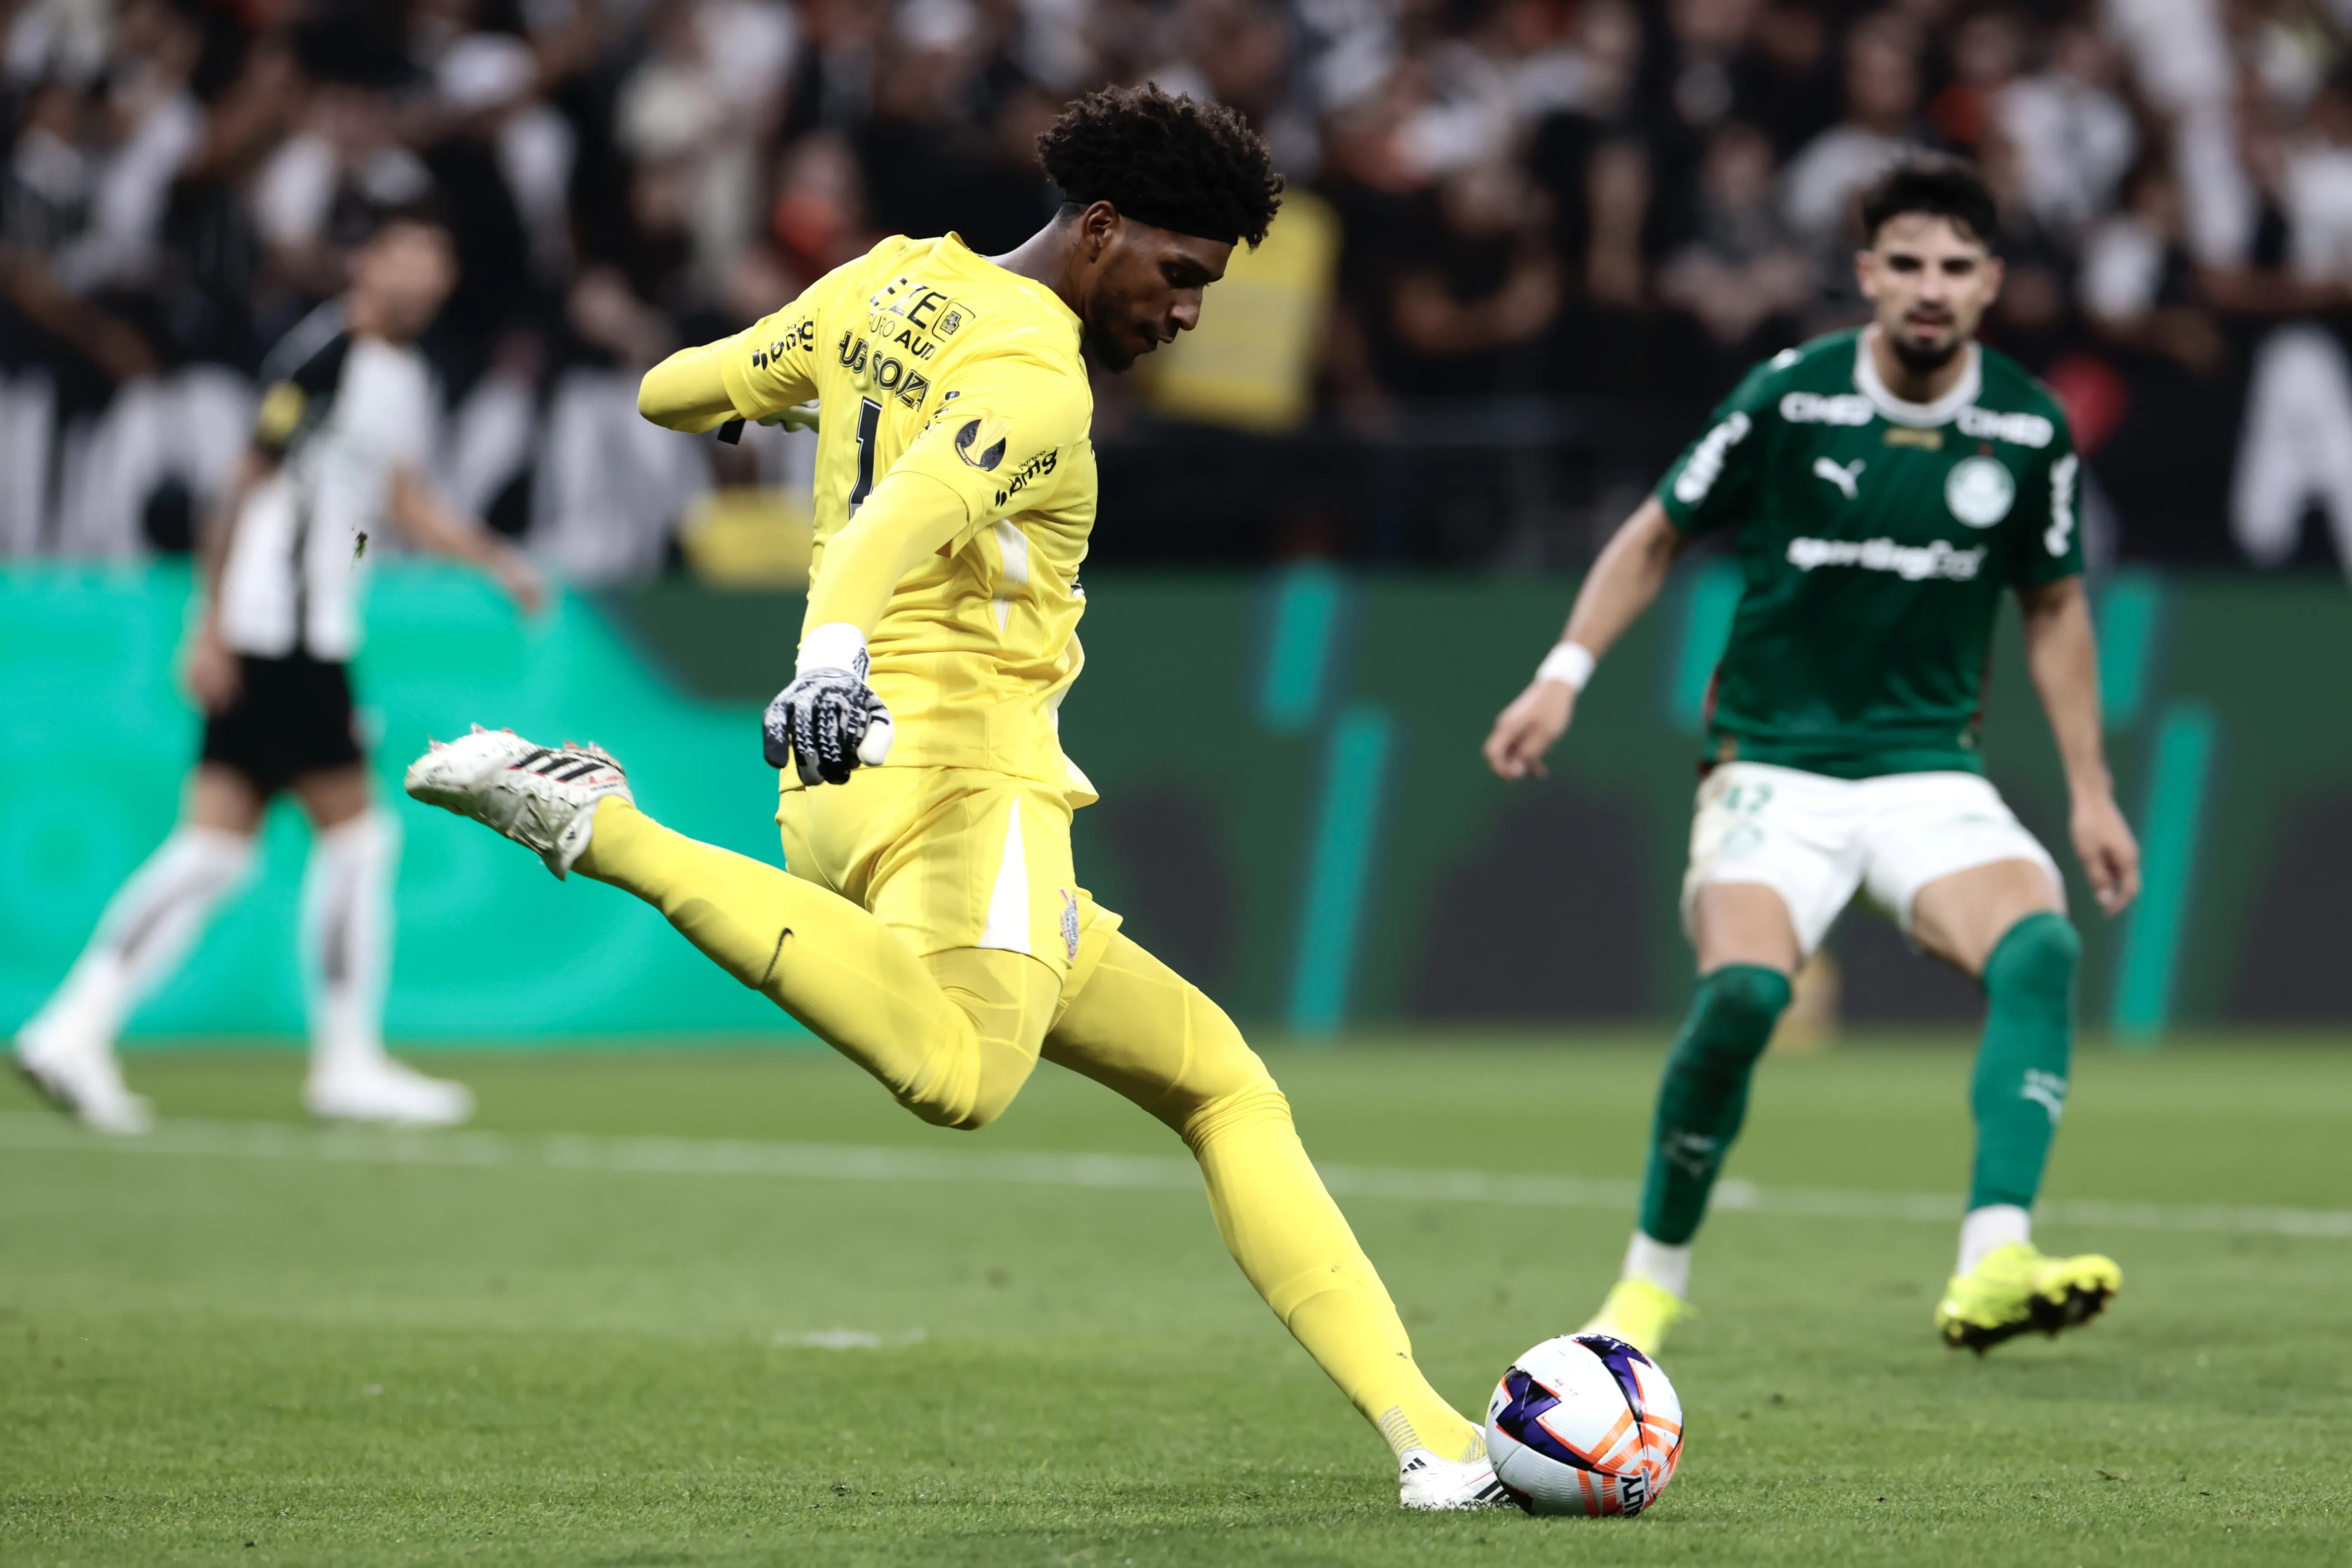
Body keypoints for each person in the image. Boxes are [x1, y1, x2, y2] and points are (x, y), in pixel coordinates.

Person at [403, 86, 1509, 1510]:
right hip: (959, 776)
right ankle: (595, 823)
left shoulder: (885, 280)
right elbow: (899, 515)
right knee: (961, 1080)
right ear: (1100, 229)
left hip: (841, 791)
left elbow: (676, 385)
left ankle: (1430, 1439)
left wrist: (746, 410)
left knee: (1219, 1081)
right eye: (1178, 277)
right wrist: (831, 648)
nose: (1186, 314)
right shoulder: (1040, 385)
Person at [1483, 156, 2139, 1356]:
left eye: (1953, 267)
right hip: (1769, 771)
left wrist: (2090, 794)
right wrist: (1560, 674)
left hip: (1926, 769)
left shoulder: (2027, 428)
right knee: (1743, 995)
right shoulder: (1790, 397)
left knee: (2039, 945)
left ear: (1990, 283)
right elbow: (1654, 534)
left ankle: (1994, 1254)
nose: (1928, 288)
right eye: (1906, 264)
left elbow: (2052, 609)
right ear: (1866, 276)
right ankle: (1646, 1285)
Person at [14, 207, 544, 1134]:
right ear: (366, 264)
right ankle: (346, 1061)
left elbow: (404, 499)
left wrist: (493, 560)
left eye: (438, 261)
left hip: (295, 630)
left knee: (215, 848)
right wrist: (209, 626)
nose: (422, 277)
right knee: (360, 839)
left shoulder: (397, 373)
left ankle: (74, 1025)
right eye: (406, 257)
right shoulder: (326, 357)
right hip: (283, 631)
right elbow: (243, 483)